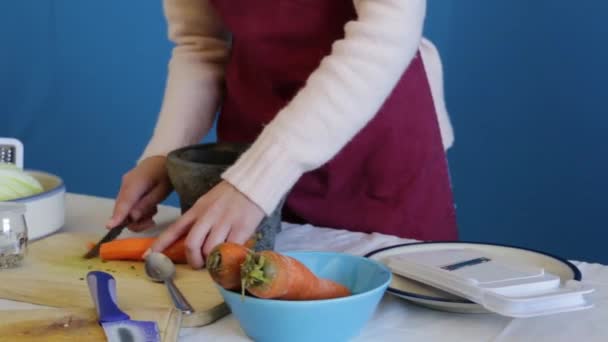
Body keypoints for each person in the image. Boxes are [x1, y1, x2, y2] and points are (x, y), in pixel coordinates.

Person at [107, 0, 458, 269]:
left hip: (375, 152)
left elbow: (386, 35)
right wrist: (164, 152)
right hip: (252, 151)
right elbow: (201, 46)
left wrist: (261, 178)